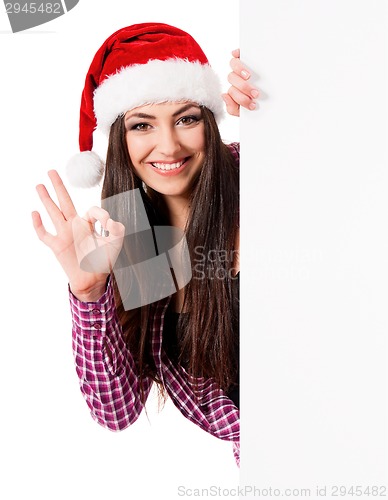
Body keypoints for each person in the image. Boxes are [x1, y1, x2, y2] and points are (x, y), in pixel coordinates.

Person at [32, 23, 258, 467]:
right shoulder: (137, 251)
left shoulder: (267, 177)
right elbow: (115, 411)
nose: (168, 145)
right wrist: (91, 293)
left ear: (210, 121)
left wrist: (284, 105)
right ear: (121, 140)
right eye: (142, 125)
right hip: (276, 474)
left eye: (187, 118)